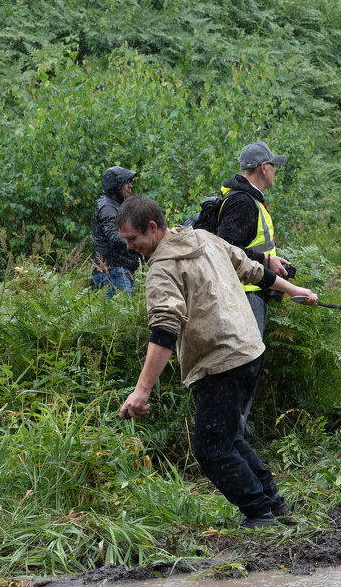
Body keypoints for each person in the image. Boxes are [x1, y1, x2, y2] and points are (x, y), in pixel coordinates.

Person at [115, 196, 319, 528]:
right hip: (250, 351)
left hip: (220, 361)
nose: (128, 247)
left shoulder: (163, 268)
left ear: (152, 228)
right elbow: (254, 270)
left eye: (132, 239)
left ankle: (259, 515)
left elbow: (164, 331)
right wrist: (293, 289)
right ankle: (272, 503)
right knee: (228, 436)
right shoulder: (203, 238)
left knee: (211, 448)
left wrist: (141, 392)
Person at [217, 141, 293, 336]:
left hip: (253, 288)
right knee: (248, 359)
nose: (275, 170)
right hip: (245, 293)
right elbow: (226, 248)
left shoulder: (249, 198)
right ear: (264, 167)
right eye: (273, 165)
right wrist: (266, 260)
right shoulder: (242, 201)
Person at [91, 166, 140, 297]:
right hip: (113, 271)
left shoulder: (117, 205)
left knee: (122, 313)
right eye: (127, 182)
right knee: (121, 316)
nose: (130, 186)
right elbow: (114, 236)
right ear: (116, 185)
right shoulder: (107, 207)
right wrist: (140, 242)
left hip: (119, 271)